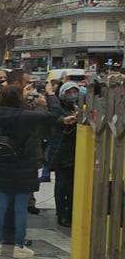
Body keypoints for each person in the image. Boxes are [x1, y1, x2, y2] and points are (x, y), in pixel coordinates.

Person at [0, 84, 77, 257]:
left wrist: (13, 93)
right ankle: (19, 246)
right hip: (24, 165)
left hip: (1, 164)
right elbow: (54, 114)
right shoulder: (27, 116)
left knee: (0, 205)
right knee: (20, 207)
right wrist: (50, 94)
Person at [47, 81, 80, 227]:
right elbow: (55, 118)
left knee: (72, 185)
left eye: (75, 91)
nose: (72, 95)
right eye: (69, 92)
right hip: (61, 151)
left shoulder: (76, 107)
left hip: (74, 152)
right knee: (62, 185)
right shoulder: (58, 107)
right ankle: (62, 214)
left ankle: (70, 212)